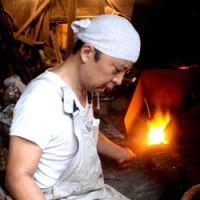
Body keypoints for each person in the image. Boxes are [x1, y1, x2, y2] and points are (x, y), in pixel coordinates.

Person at [6, 14, 141, 200]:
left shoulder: (83, 89)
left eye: (125, 72)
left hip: (89, 192)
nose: (119, 81)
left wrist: (119, 152)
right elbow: (17, 178)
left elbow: (87, 130)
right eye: (117, 70)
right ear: (87, 53)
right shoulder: (42, 99)